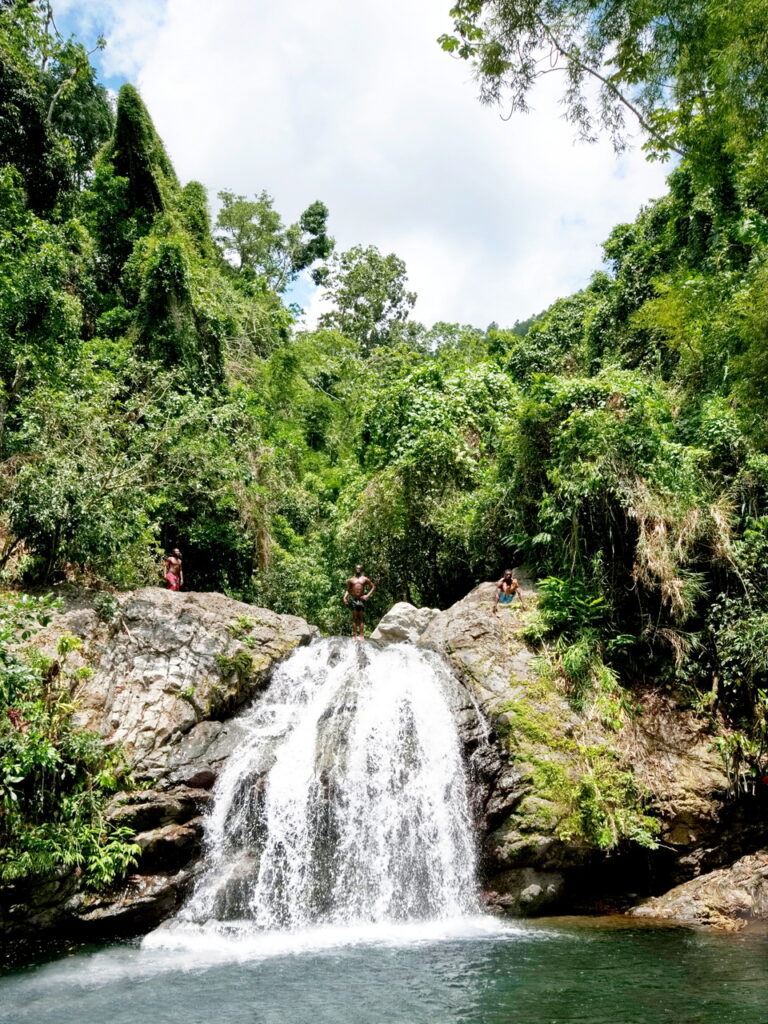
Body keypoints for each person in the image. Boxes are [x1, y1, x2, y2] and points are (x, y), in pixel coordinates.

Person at [343, 564, 375, 640]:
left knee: (360, 618)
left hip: (361, 599)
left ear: (361, 570)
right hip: (354, 599)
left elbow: (373, 586)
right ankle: (355, 635)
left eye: (359, 568)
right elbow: (348, 590)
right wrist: (344, 597)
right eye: (357, 568)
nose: (358, 570)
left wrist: (367, 595)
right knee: (354, 618)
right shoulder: (351, 580)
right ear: (355, 569)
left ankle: (361, 635)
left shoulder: (365, 579)